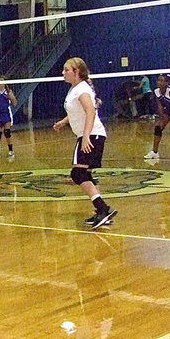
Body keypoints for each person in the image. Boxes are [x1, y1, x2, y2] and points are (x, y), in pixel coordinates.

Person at [53, 57, 117, 229]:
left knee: (78, 174)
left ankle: (103, 208)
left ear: (77, 72)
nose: (63, 73)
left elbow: (90, 111)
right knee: (84, 174)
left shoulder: (82, 89)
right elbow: (79, 111)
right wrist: (64, 122)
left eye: (66, 70)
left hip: (91, 135)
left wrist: (86, 136)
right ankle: (102, 211)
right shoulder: (76, 89)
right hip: (91, 135)